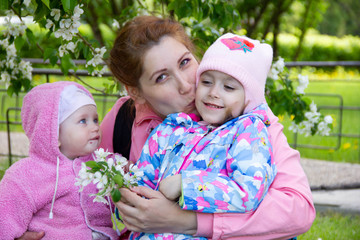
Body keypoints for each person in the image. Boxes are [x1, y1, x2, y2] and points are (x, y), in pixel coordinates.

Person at [19, 15, 315, 239]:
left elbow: (298, 210)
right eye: (162, 77)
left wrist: (186, 221)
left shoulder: (247, 121)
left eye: (186, 62)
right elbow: (62, 176)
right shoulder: (123, 122)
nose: (188, 84)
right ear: (135, 92)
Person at [128, 33, 277, 240]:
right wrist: (131, 202)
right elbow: (142, 179)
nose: (214, 93)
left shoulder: (249, 131)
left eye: (229, 87)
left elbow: (248, 190)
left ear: (249, 97)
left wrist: (186, 185)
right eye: (206, 82)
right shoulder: (170, 129)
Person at [0, 82, 119, 239]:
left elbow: (124, 192)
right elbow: (6, 214)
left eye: (95, 120)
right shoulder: (27, 175)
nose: (95, 127)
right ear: (53, 134)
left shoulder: (103, 164)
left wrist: (124, 175)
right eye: (83, 121)